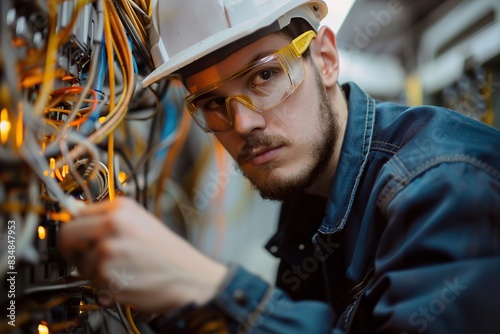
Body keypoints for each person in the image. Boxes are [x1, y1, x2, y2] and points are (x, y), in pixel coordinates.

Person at [59, 0, 500, 332]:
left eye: (264, 76)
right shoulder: (309, 199)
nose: (243, 123)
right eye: (213, 103)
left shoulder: (442, 185)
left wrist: (210, 288)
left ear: (325, 59)